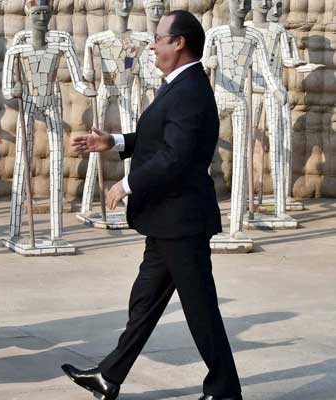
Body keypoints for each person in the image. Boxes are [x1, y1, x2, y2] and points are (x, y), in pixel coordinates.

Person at [62, 10, 242, 400]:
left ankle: (225, 391)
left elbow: (175, 157)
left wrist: (127, 183)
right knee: (144, 302)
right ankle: (109, 376)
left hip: (181, 219)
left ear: (179, 43)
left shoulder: (191, 89)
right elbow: (158, 138)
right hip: (167, 220)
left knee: (200, 310)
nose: (153, 44)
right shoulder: (178, 86)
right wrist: (114, 142)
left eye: (159, 38)